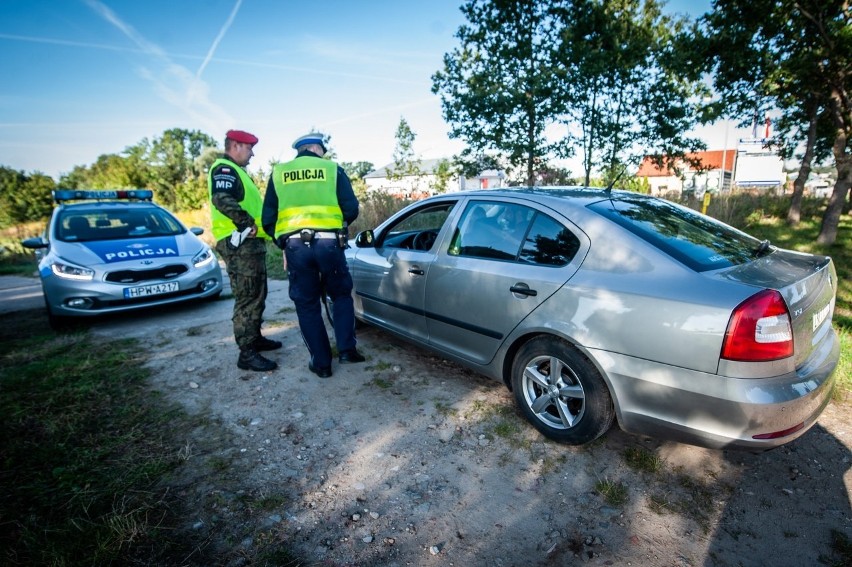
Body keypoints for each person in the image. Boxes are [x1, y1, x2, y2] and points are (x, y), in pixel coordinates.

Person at [262, 132, 364, 378]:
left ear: (301, 149)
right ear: (317, 148)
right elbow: (351, 208)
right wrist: (336, 227)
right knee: (340, 295)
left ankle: (321, 364)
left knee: (306, 304)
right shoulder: (332, 169)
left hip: (296, 247)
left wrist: (283, 242)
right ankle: (347, 351)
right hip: (329, 244)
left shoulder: (279, 173)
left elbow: (268, 217)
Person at [208, 129, 281, 372]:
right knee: (247, 296)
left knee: (257, 293)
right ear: (236, 146)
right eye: (249, 148)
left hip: (249, 244)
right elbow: (221, 198)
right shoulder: (225, 169)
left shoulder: (238, 172)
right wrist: (244, 222)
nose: (252, 154)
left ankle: (254, 338)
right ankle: (246, 353)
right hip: (239, 242)